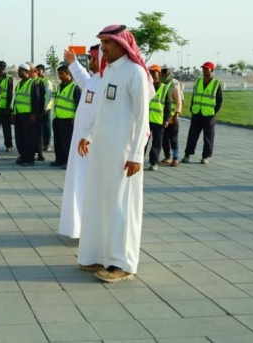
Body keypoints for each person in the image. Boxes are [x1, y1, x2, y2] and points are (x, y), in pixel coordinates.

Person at [76, 24, 152, 283]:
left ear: (122, 44)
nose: (102, 48)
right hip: (102, 149)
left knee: (121, 205)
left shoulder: (135, 73)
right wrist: (88, 134)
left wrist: (137, 155)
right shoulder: (107, 71)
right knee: (97, 200)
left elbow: (143, 117)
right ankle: (97, 255)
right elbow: (101, 111)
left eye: (106, 43)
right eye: (101, 43)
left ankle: (122, 263)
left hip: (124, 152)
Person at [60, 44, 101, 239]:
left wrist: (90, 136)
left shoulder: (108, 82)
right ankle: (79, 227)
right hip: (81, 146)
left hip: (92, 147)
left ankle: (90, 229)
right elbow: (84, 79)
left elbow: (104, 115)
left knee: (88, 187)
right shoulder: (95, 80)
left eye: (93, 58)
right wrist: (73, 63)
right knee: (78, 184)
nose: (90, 61)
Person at [182, 62, 222, 164]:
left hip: (209, 114)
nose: (204, 71)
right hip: (197, 112)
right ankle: (187, 154)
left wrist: (213, 112)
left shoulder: (216, 84)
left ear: (211, 70)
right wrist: (192, 108)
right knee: (192, 134)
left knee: (208, 136)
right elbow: (194, 96)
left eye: (206, 69)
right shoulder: (198, 81)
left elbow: (219, 101)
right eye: (203, 69)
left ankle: (206, 156)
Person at [13, 63, 43, 167]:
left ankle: (29, 159)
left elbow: (36, 100)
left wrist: (34, 114)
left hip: (28, 115)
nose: (19, 72)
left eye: (21, 71)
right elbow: (16, 100)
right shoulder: (19, 84)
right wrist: (14, 112)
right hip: (19, 115)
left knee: (28, 137)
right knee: (19, 137)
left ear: (27, 72)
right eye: (18, 71)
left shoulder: (33, 83)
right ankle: (23, 156)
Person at [51, 64, 81, 168]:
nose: (59, 76)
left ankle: (67, 161)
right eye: (58, 74)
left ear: (68, 73)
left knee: (66, 142)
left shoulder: (74, 87)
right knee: (57, 141)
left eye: (61, 74)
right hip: (58, 118)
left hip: (68, 120)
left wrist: (75, 118)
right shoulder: (60, 86)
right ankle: (59, 160)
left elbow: (79, 105)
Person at [145, 64, 172, 171]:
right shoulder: (146, 86)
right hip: (146, 119)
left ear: (159, 73)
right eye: (150, 72)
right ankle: (139, 161)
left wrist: (166, 120)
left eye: (154, 72)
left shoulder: (165, 88)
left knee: (156, 143)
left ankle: (153, 162)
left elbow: (168, 105)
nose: (152, 74)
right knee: (143, 142)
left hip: (158, 120)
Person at [159, 66, 183, 167]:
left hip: (173, 119)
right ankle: (167, 157)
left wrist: (177, 113)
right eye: (162, 75)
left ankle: (176, 158)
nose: (164, 77)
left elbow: (179, 102)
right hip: (162, 119)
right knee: (164, 140)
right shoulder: (159, 86)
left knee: (173, 140)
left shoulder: (174, 86)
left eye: (165, 75)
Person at [0, 61, 14, 152]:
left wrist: (7, 107)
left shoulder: (8, 79)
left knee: (6, 128)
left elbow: (10, 94)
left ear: (1, 68)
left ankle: (8, 145)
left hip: (5, 109)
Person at [36, 64, 54, 153]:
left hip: (46, 108)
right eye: (36, 70)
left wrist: (45, 107)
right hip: (39, 107)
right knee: (40, 126)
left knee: (46, 126)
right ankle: (41, 143)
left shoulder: (47, 82)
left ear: (43, 71)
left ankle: (46, 144)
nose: (37, 72)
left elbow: (49, 95)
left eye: (39, 70)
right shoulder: (37, 81)